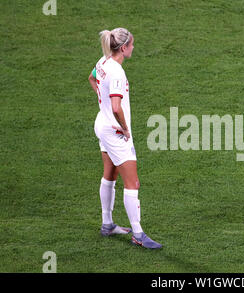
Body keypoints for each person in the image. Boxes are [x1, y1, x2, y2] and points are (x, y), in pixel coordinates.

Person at [88, 28, 162, 249]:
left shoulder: (103, 61)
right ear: (123, 48)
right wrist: (125, 129)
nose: (133, 48)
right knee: (133, 183)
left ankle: (107, 223)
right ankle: (138, 234)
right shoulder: (117, 72)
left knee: (109, 175)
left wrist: (104, 108)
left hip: (102, 124)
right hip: (115, 132)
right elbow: (117, 107)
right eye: (131, 45)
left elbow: (91, 79)